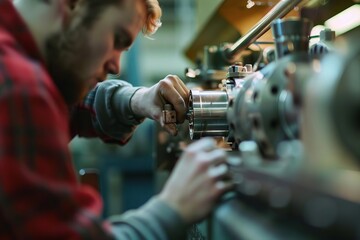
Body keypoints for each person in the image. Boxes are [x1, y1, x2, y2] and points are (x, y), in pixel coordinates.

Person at [0, 0, 233, 239]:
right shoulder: (19, 88)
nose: (115, 65)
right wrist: (173, 208)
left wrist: (136, 99)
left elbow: (71, 107)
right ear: (72, 5)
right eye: (117, 40)